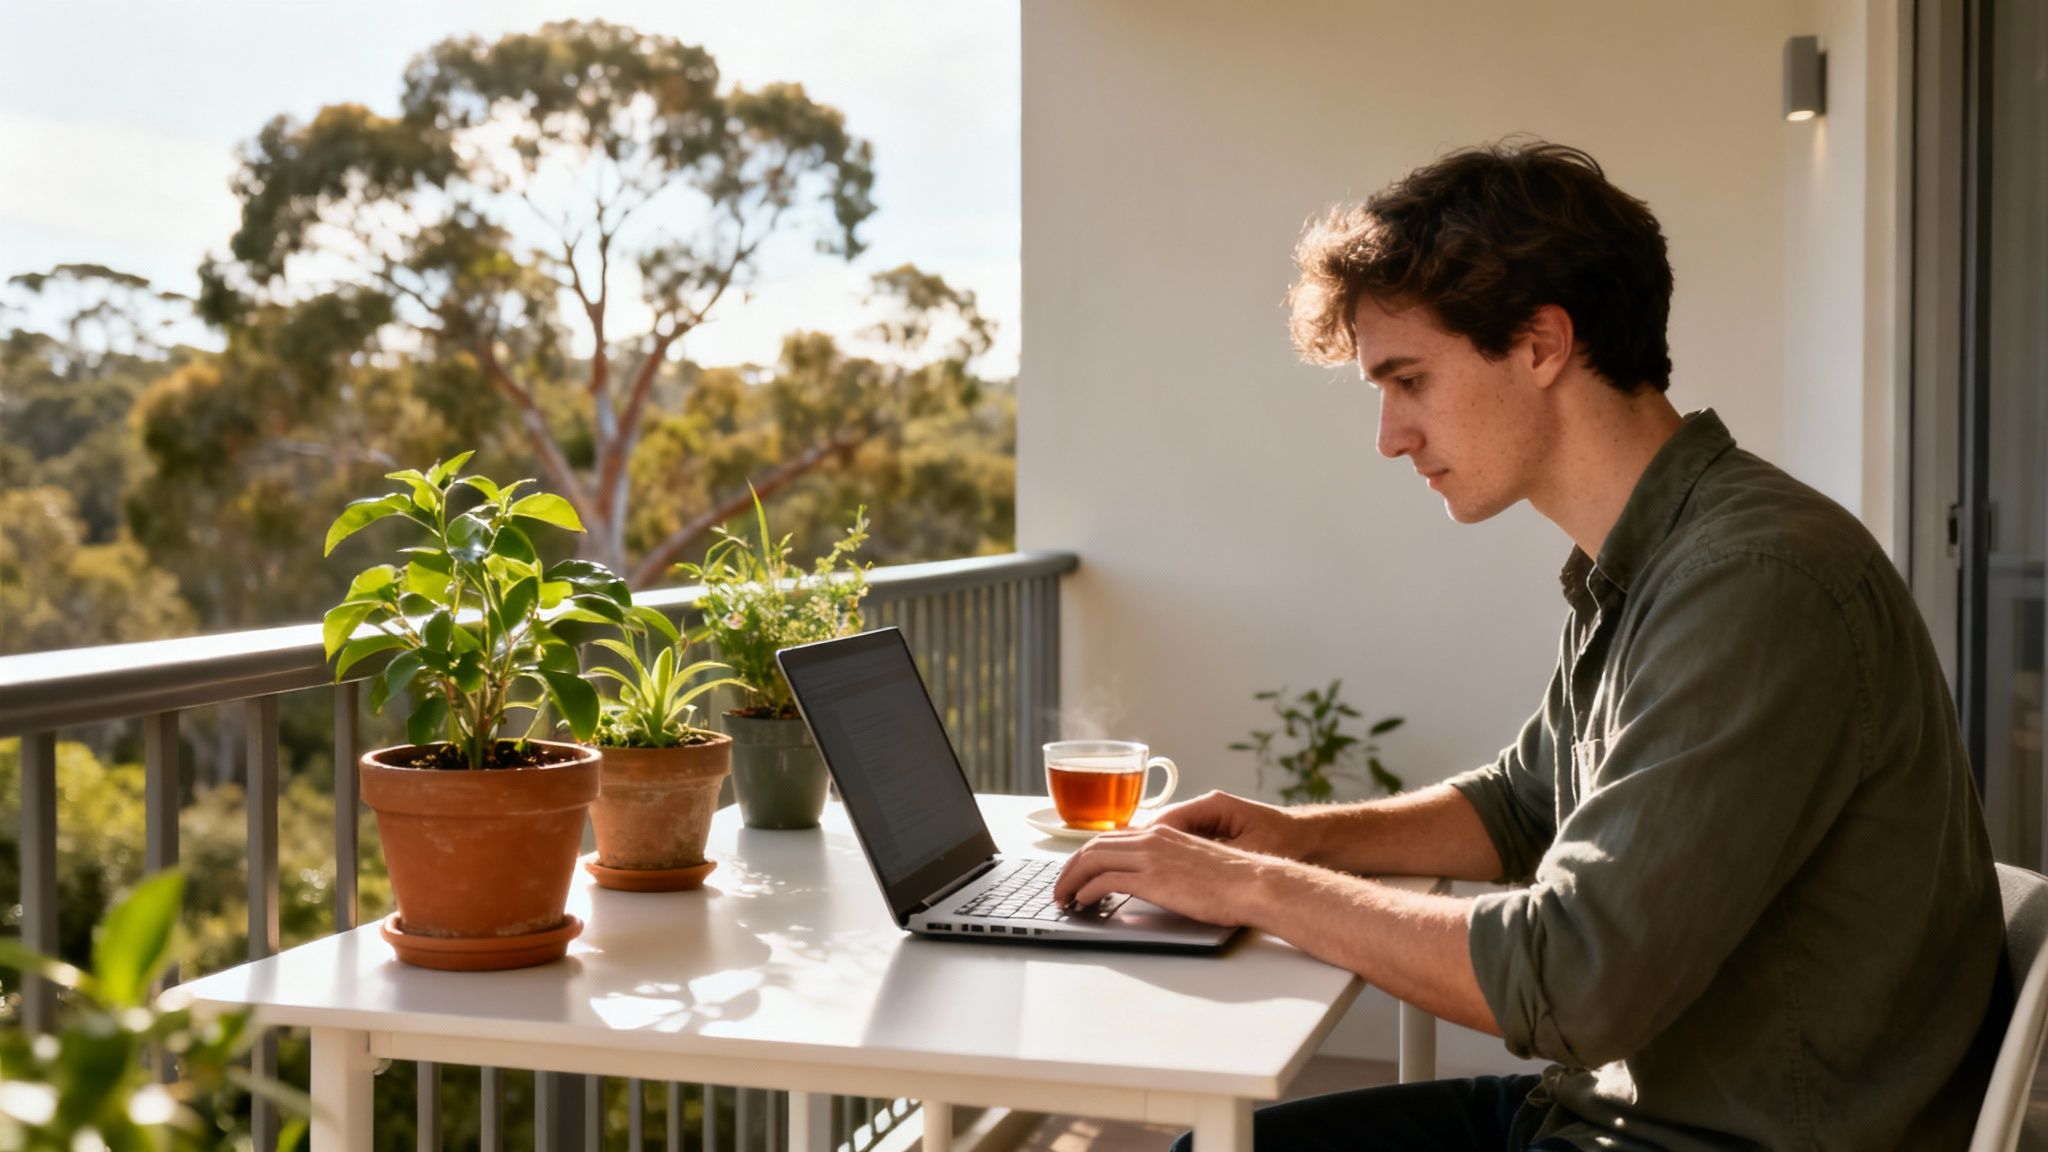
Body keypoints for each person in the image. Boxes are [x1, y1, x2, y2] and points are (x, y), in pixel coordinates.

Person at [1051, 139, 2010, 1151]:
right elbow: (1522, 801)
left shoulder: (1754, 582)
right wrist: (1297, 836)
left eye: (1409, 379)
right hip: (1618, 1109)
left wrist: (1253, 889)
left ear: (1541, 345)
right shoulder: (1653, 559)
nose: (1388, 434)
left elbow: (1571, 977)